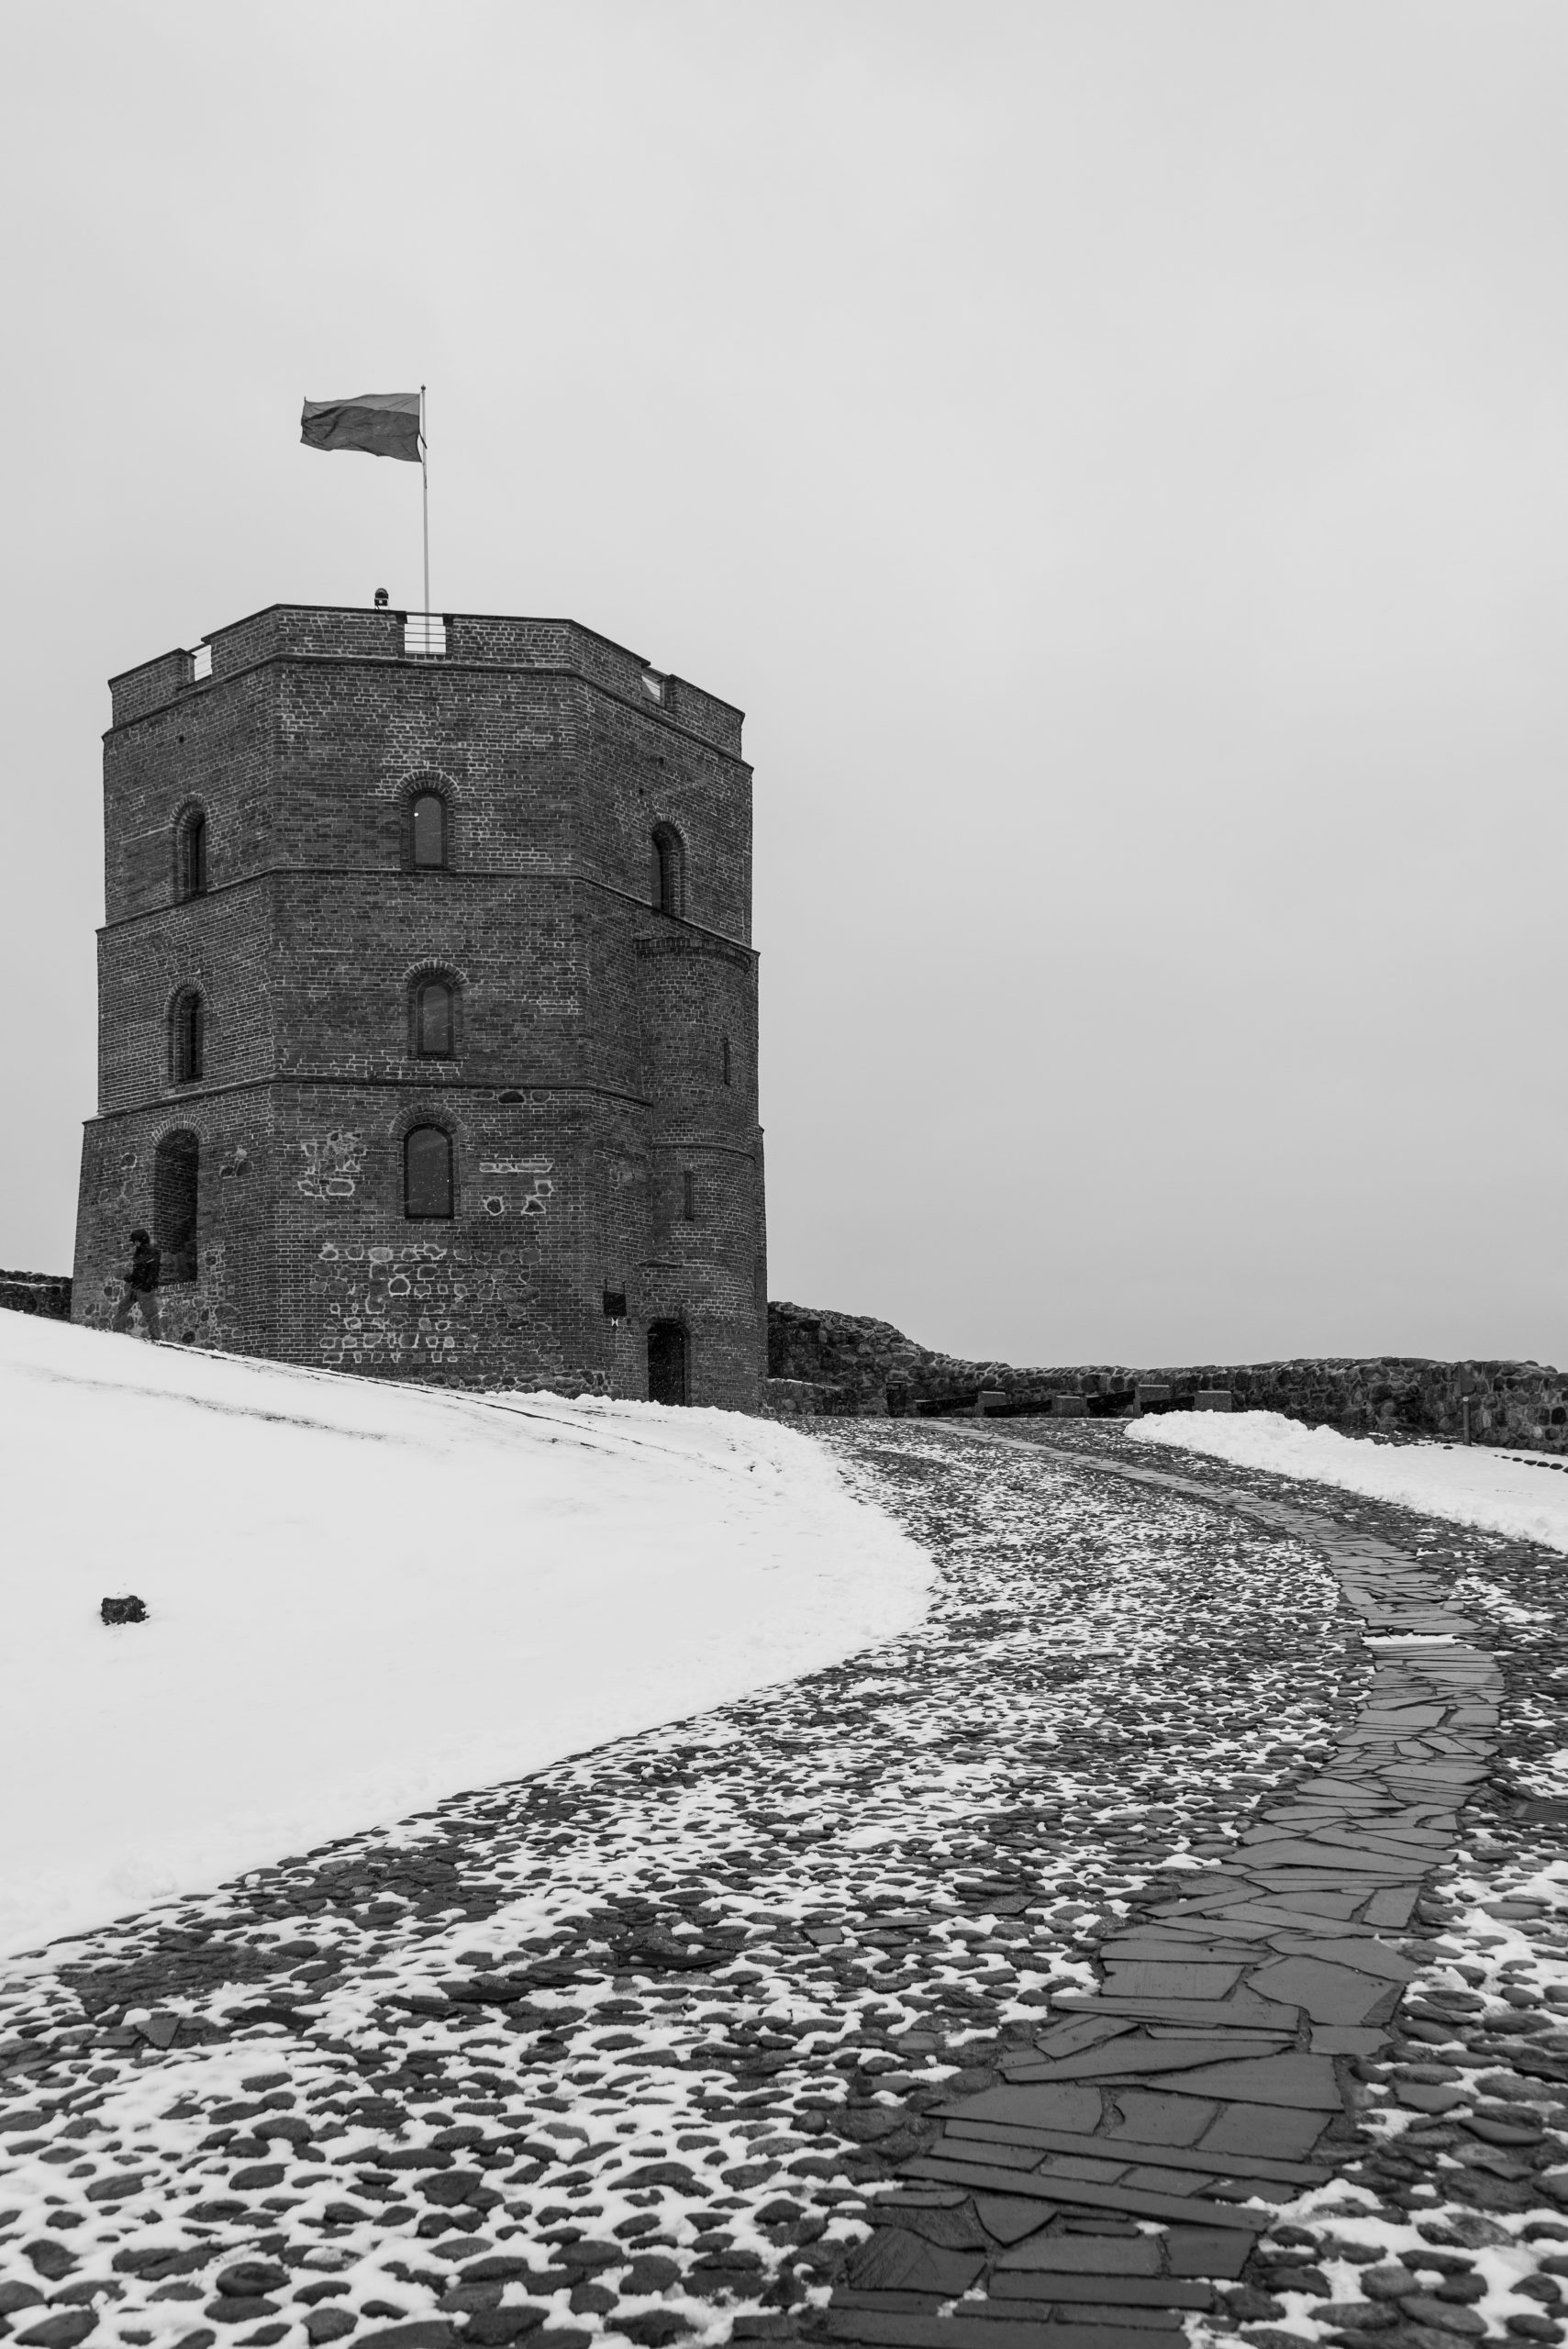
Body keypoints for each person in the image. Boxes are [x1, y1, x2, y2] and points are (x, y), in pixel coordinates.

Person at [112, 1228, 162, 1340]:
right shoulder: (138, 1253)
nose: (135, 1243)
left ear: (141, 1240)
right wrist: (130, 1278)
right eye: (134, 1241)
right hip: (135, 1287)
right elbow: (137, 1272)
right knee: (122, 1306)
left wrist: (148, 1285)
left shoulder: (152, 1252)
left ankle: (156, 1337)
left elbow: (153, 1271)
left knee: (150, 1314)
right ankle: (117, 1332)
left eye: (136, 1241)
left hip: (145, 1289)